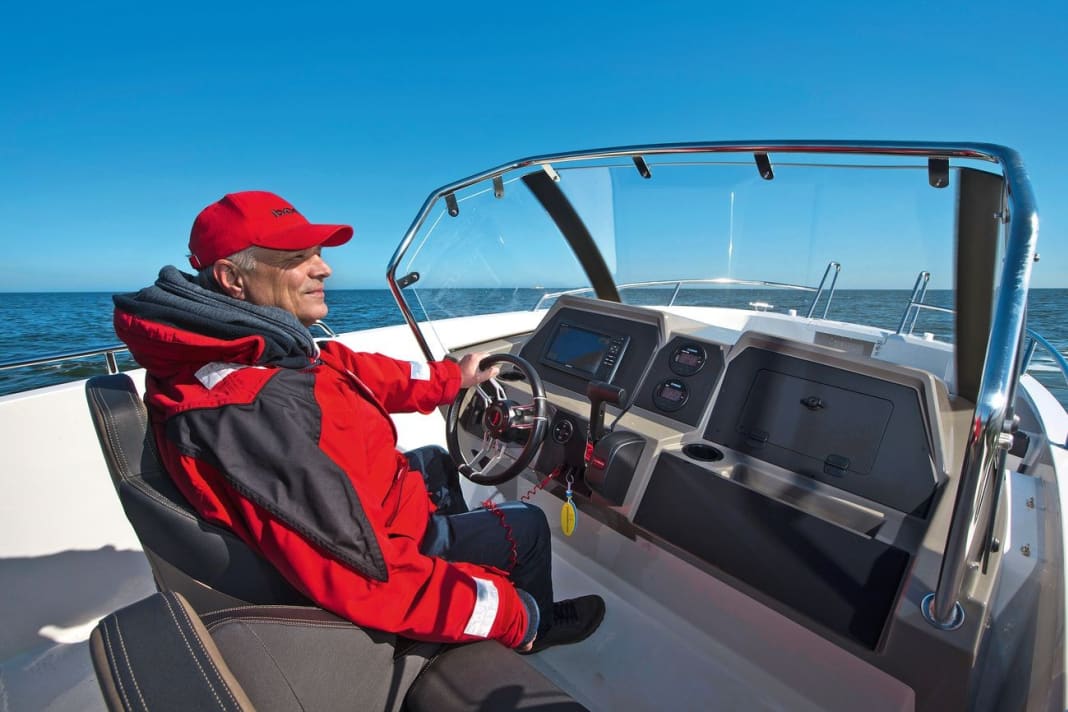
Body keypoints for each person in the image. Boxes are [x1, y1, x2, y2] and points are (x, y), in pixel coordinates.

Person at [113, 190, 605, 653]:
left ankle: (462, 557)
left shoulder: (246, 347)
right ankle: (535, 630)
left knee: (435, 461)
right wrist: (510, 612)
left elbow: (348, 369)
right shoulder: (255, 413)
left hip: (373, 512)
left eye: (317, 253)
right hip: (384, 551)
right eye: (296, 258)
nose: (324, 267)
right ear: (232, 279)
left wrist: (450, 378)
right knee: (528, 525)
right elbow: (370, 577)